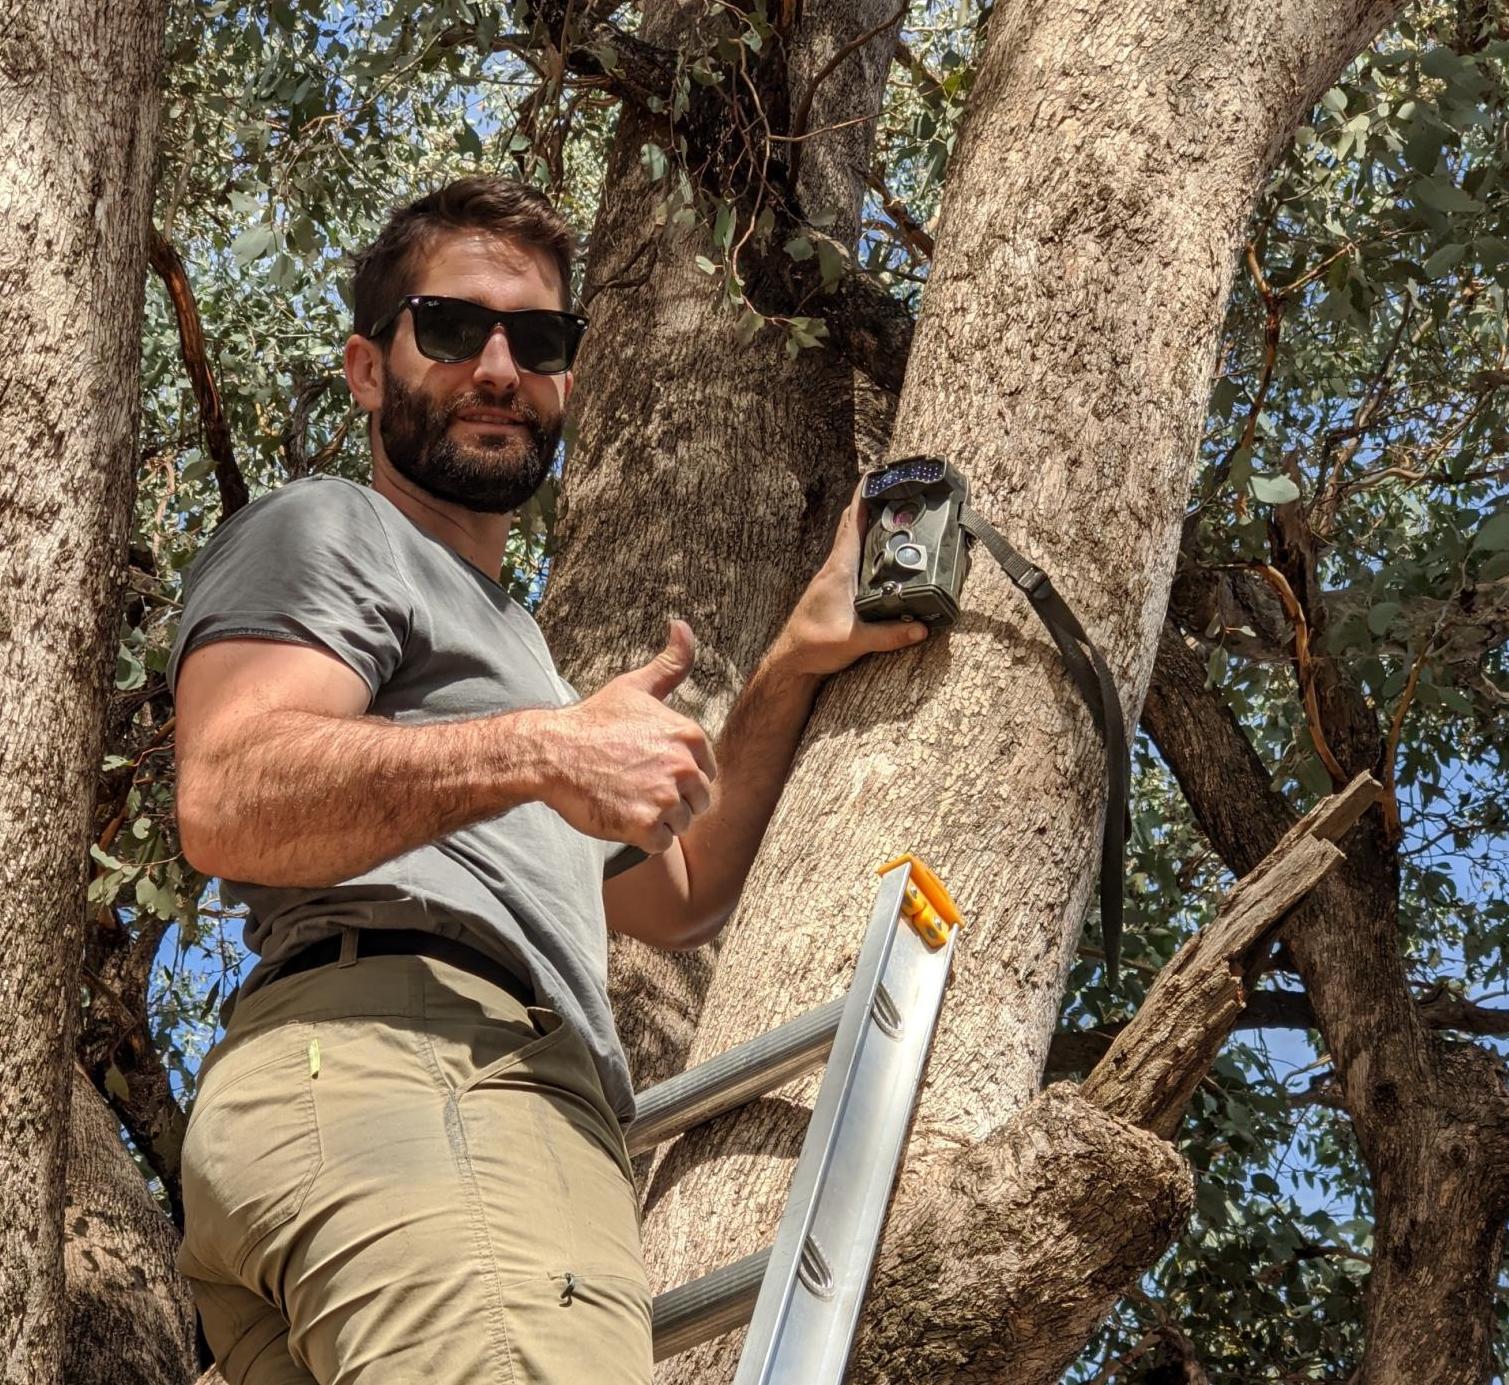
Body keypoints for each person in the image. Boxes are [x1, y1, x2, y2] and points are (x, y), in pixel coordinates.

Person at [169, 176, 925, 1385]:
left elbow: (682, 893)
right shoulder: (332, 529)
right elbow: (228, 793)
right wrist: (544, 748)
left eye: (541, 339)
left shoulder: (511, 650)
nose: (499, 368)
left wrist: (793, 659)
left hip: (386, 1120)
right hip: (423, 1083)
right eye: (455, 328)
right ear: (368, 369)